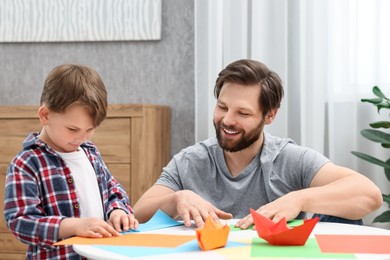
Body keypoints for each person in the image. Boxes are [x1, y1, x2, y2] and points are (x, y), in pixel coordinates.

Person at [133, 59, 382, 229]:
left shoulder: (288, 159)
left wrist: (298, 200)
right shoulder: (191, 160)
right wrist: (177, 199)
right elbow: (138, 213)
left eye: (243, 113)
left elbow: (368, 194)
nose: (227, 120)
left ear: (270, 115)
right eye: (222, 107)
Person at [4, 64, 138, 259]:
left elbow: (113, 190)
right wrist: (75, 226)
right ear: (45, 115)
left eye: (89, 129)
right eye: (73, 130)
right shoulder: (26, 164)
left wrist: (117, 210)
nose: (81, 138)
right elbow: (20, 222)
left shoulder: (90, 153)